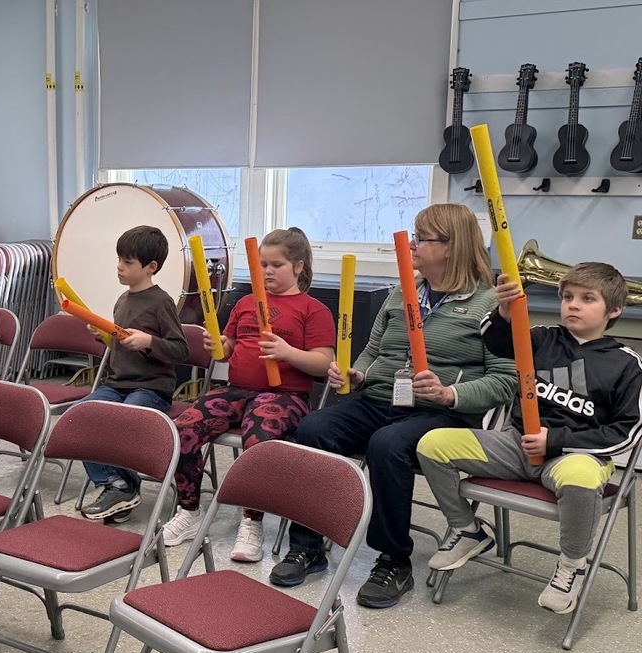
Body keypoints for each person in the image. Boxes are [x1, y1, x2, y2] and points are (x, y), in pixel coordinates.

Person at [281, 203, 518, 607]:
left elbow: (506, 380)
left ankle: (393, 559)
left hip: (442, 413)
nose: (412, 244)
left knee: (388, 445)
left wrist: (450, 394)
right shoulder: (400, 291)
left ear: (450, 246)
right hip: (379, 398)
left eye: (421, 238)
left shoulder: (490, 304)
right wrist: (356, 375)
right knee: (312, 429)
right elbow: (373, 351)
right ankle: (308, 545)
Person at [417, 262, 642, 614]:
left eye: (587, 298)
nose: (573, 305)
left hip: (573, 456)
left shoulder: (626, 364)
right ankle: (468, 529)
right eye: (568, 297)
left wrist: (555, 440)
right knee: (432, 444)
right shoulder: (543, 337)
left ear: (614, 310)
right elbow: (496, 340)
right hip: (515, 445)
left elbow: (624, 434)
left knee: (582, 477)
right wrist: (505, 310)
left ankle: (571, 565)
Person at [160, 228, 335, 561]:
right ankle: (189, 513)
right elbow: (226, 350)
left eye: (276, 264)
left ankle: (252, 521)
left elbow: (323, 363)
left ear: (298, 267)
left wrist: (287, 352)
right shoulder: (245, 303)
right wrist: (218, 346)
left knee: (257, 443)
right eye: (262, 264)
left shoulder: (313, 309)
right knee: (182, 430)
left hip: (285, 396)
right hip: (237, 390)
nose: (267, 271)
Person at [78, 224, 189, 522]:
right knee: (81, 416)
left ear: (151, 267)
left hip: (152, 388)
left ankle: (124, 487)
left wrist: (149, 341)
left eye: (127, 262)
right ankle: (117, 484)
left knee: (124, 419)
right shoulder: (122, 300)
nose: (119, 267)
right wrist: (103, 336)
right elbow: (120, 347)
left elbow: (181, 350)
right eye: (119, 260)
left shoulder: (161, 301)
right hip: (118, 383)